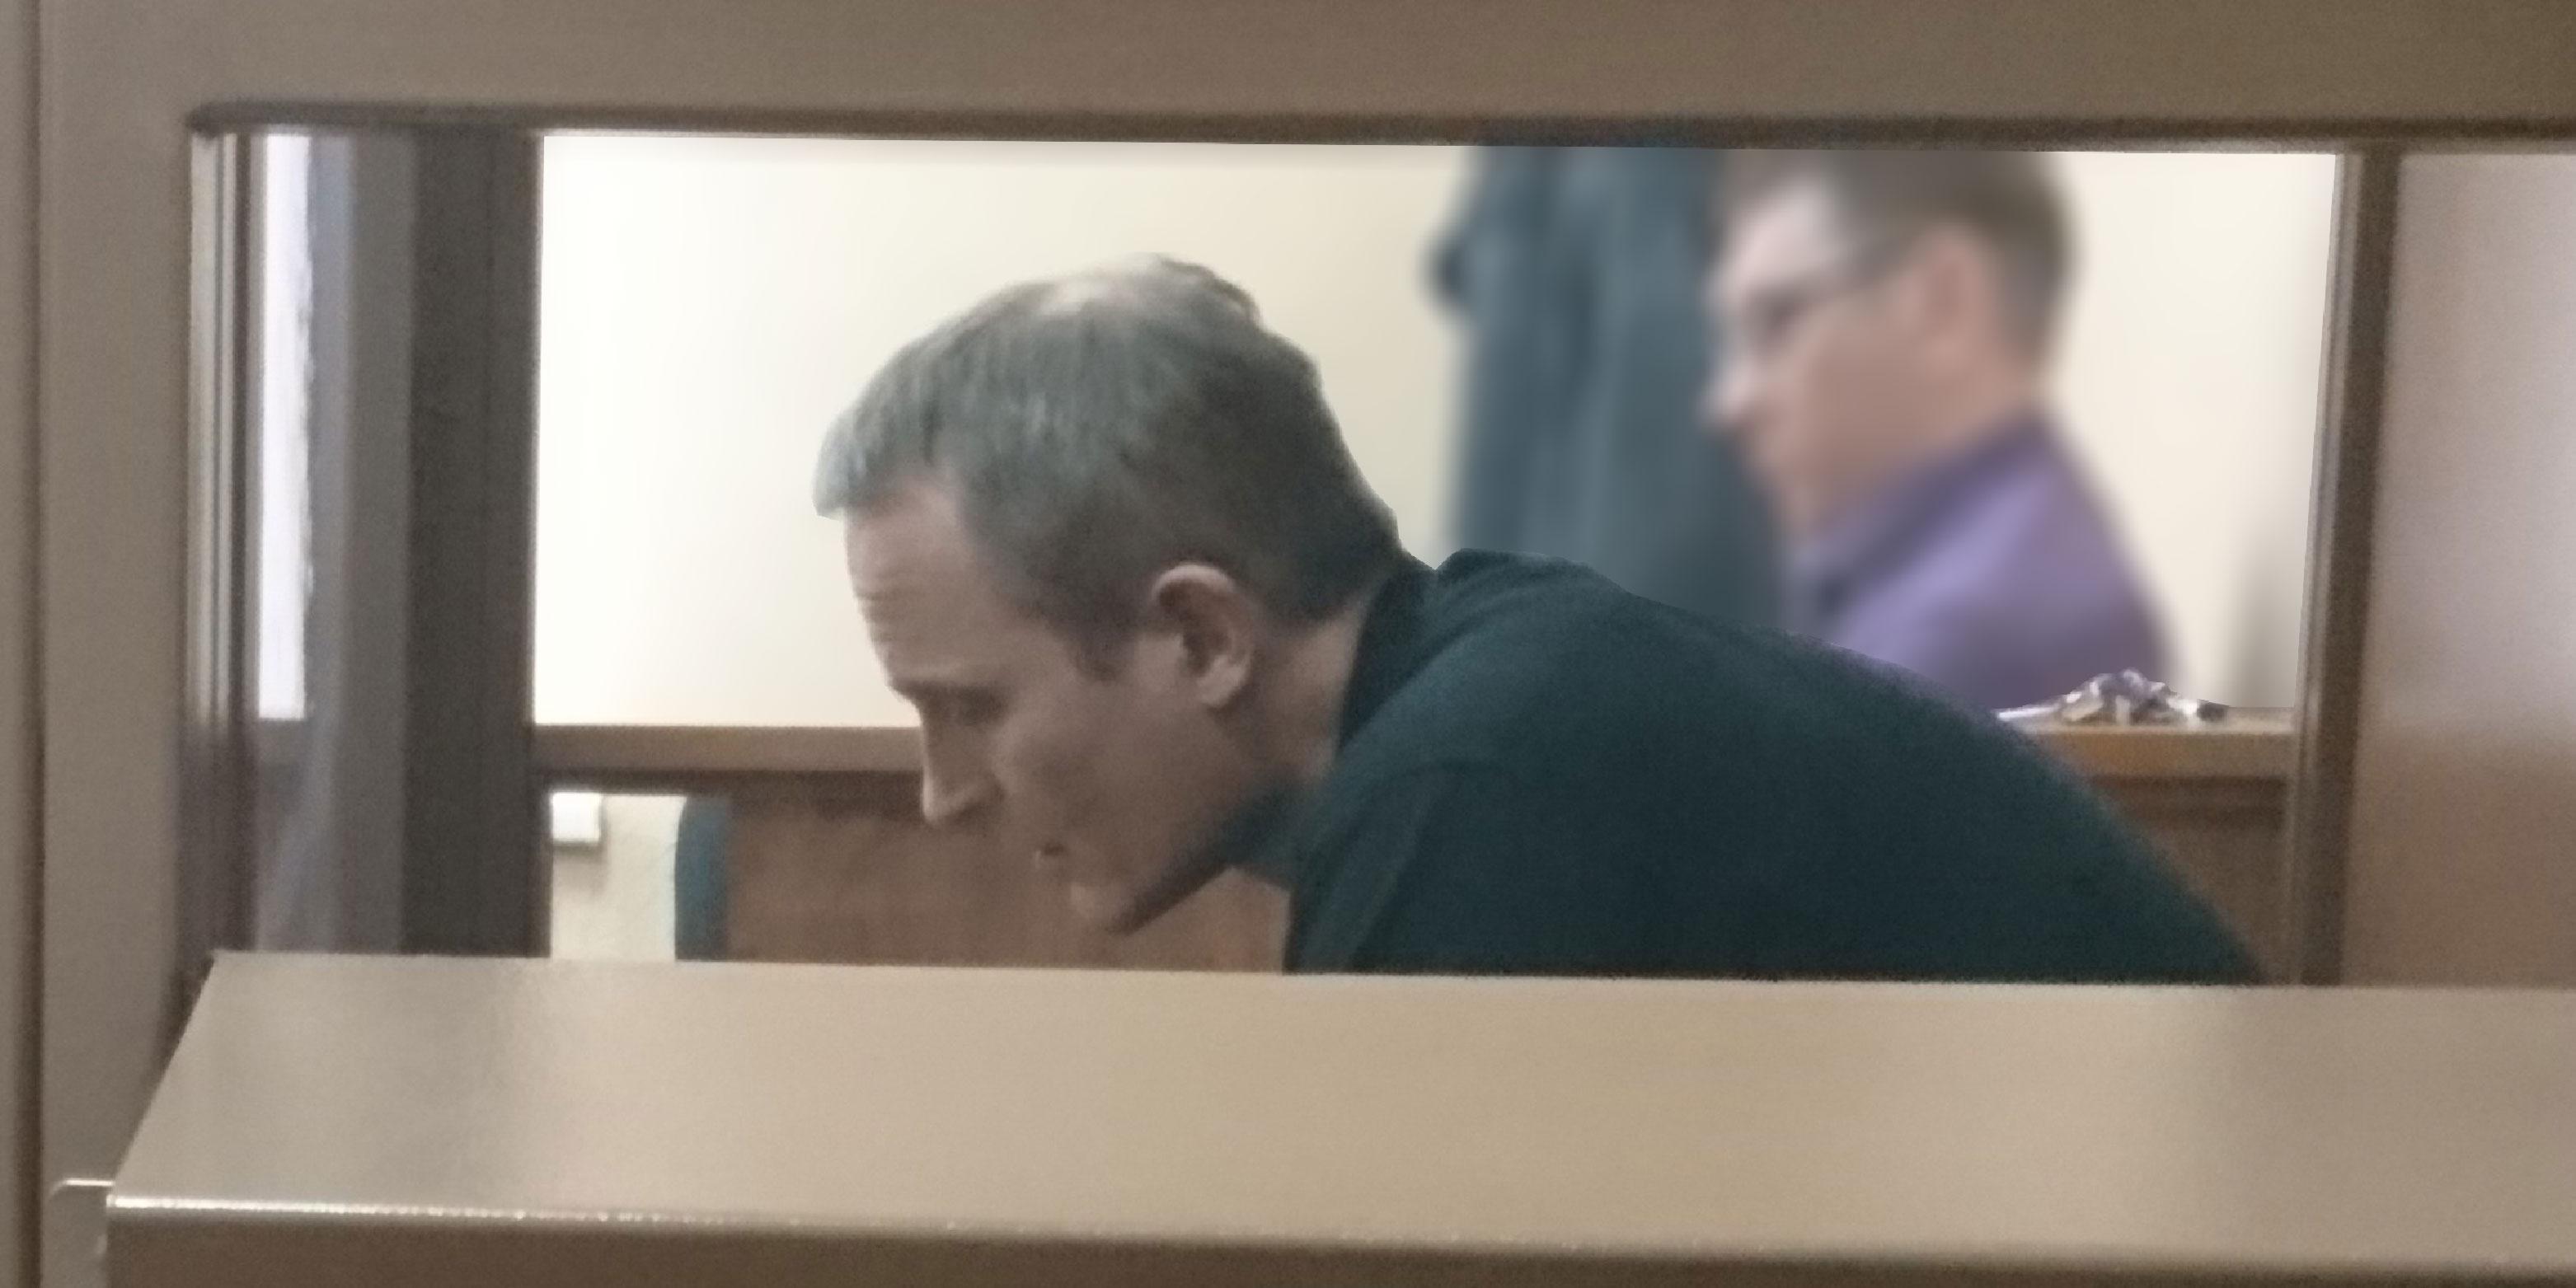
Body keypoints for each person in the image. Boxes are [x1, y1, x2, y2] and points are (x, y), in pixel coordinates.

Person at [814, 256, 2254, 982]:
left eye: (969, 705)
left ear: (1202, 635)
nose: (943, 792)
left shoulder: (1482, 781)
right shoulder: (1497, 700)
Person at [1707, 150, 2163, 710]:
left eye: (1773, 322)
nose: (1729, 404)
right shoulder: (1966, 581)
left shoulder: (1961, 640)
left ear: (1943, 302)